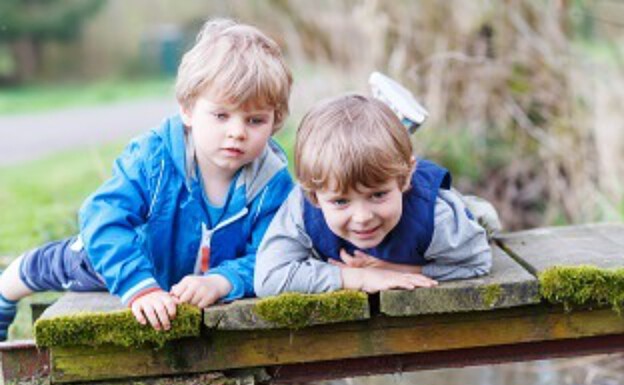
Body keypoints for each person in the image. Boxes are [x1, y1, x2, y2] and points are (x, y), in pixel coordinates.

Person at [0, 18, 294, 340]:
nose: (237, 132)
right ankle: (8, 284)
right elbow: (103, 216)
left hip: (194, 276)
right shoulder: (154, 158)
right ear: (188, 110)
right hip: (129, 259)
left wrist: (222, 281)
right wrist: (140, 287)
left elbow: (273, 254)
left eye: (255, 120)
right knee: (60, 264)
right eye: (221, 115)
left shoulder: (273, 183)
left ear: (275, 121)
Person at [254, 92, 492, 296]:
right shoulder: (302, 205)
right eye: (340, 201)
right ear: (314, 196)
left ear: (404, 179)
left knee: (484, 217)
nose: (362, 217)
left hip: (455, 216)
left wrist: (392, 270)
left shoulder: (437, 217)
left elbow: (477, 262)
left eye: (377, 195)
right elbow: (269, 277)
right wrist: (357, 277)